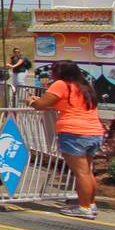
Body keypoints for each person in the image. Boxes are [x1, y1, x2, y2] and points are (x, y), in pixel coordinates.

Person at [29, 60, 104, 218]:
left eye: (53, 70)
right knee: (87, 171)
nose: (51, 73)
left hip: (73, 132)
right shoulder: (84, 86)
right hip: (94, 131)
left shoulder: (61, 84)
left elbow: (41, 104)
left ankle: (84, 208)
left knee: (81, 173)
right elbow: (64, 104)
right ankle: (90, 204)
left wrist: (32, 101)